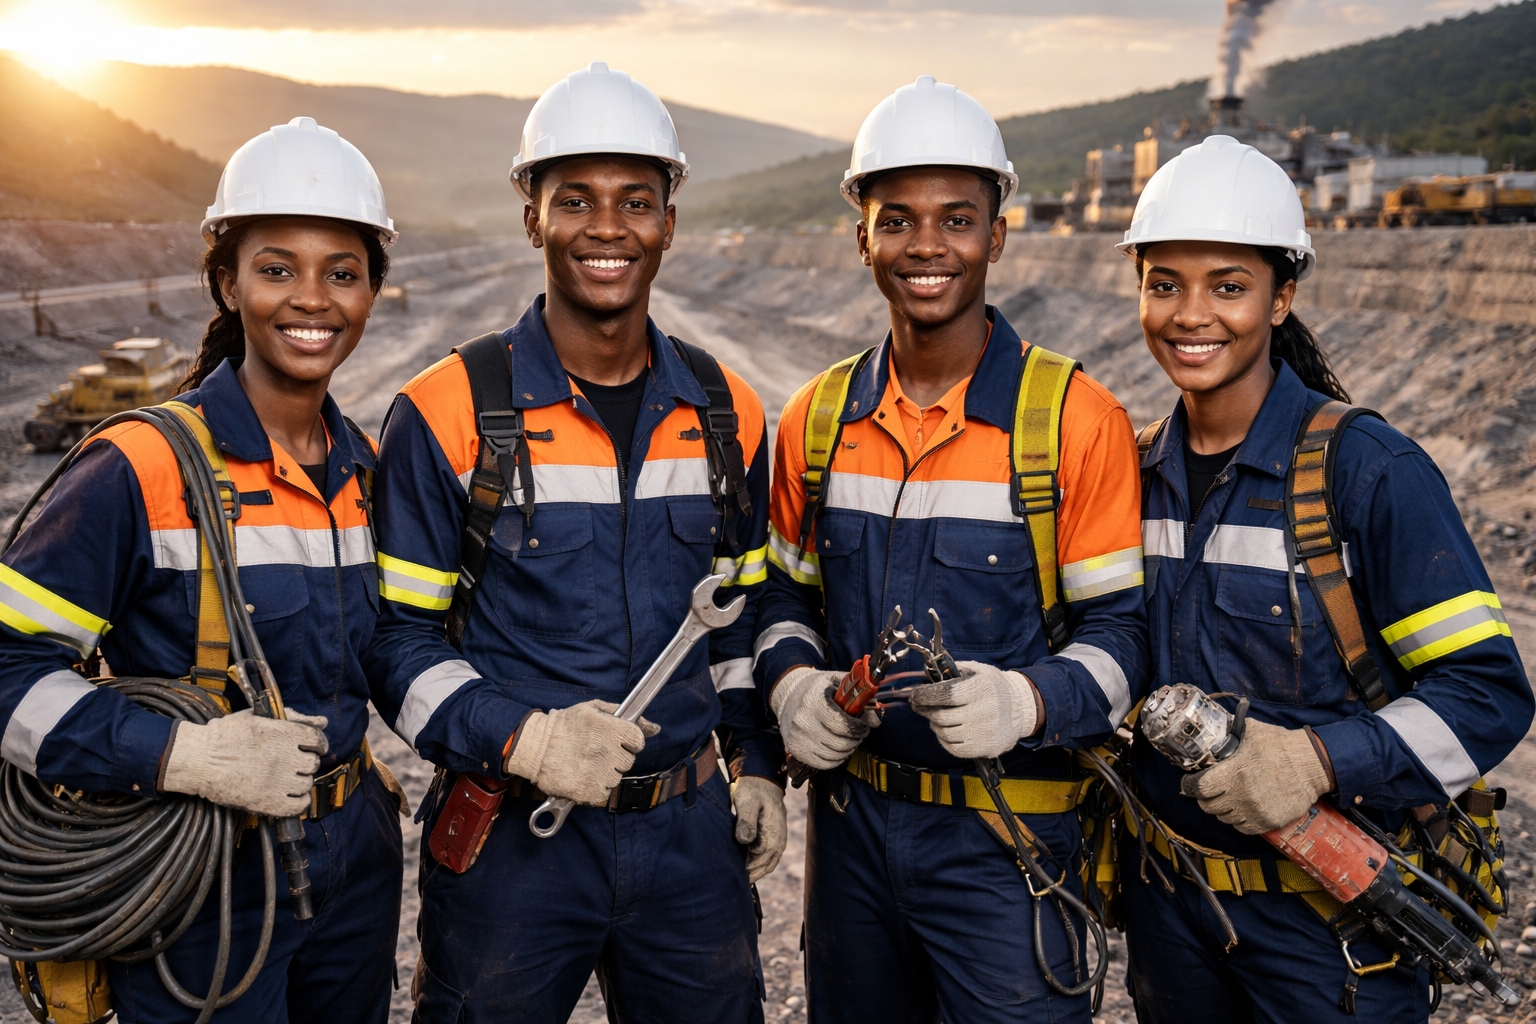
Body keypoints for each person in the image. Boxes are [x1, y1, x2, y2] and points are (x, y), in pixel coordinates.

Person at [366, 62, 782, 1024]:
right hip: (513, 845)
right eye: (575, 200)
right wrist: (526, 739)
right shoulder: (445, 411)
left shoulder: (729, 414)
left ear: (669, 221)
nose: (607, 228)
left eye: (635, 201)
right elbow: (396, 644)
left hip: (689, 845)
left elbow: (739, 623)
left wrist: (756, 759)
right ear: (533, 218)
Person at [754, 76, 1148, 1023]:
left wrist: (1027, 701)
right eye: (897, 221)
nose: (926, 246)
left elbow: (1127, 634)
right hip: (852, 837)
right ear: (862, 238)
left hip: (1011, 848)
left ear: (997, 236)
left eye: (957, 220)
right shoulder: (817, 419)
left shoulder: (1072, 420)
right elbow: (783, 598)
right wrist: (793, 686)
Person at [1119, 134, 1534, 1023]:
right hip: (1172, 918)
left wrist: (1315, 759)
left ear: (1283, 297)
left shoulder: (1367, 471)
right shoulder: (1133, 472)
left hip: (1332, 932)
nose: (1192, 314)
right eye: (1165, 284)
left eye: (1229, 286)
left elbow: (1485, 694)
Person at [0, 116, 405, 1023]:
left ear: (373, 290)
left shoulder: (364, 469)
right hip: (205, 874)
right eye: (277, 270)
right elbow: (7, 667)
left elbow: (388, 649)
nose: (312, 299)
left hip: (354, 858)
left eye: (342, 273)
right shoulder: (140, 467)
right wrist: (180, 753)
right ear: (228, 283)